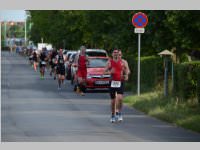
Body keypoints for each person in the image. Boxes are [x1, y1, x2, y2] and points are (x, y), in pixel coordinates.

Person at [104, 49, 130, 123]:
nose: (116, 54)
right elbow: (104, 72)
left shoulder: (124, 62)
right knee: (113, 101)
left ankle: (119, 112)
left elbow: (127, 70)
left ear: (119, 54)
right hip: (112, 82)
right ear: (112, 54)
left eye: (117, 53)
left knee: (120, 98)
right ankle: (112, 114)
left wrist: (126, 75)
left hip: (120, 81)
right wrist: (109, 71)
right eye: (114, 53)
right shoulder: (109, 62)